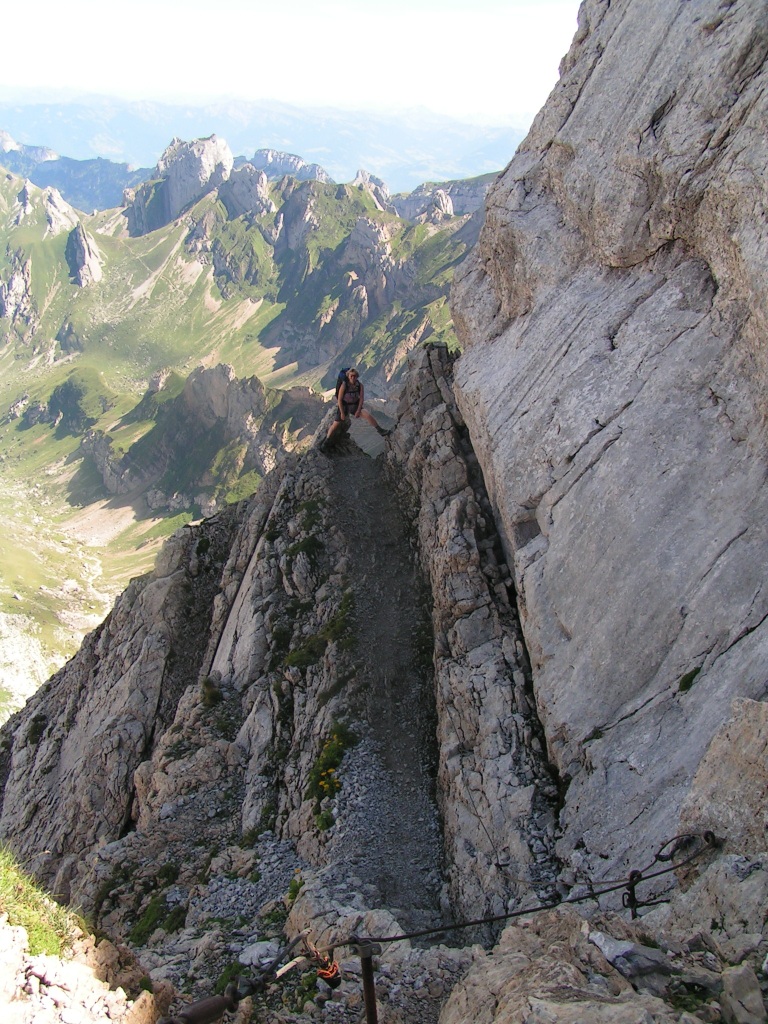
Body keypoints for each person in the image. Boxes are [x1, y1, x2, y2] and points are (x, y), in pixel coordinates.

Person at [320, 368, 390, 450]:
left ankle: (380, 430)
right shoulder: (344, 385)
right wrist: (342, 412)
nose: (353, 377)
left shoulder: (359, 385)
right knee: (335, 424)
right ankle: (326, 441)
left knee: (367, 415)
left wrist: (358, 410)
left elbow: (361, 399)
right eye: (351, 376)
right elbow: (339, 399)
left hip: (355, 405)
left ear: (357, 376)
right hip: (344, 405)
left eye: (354, 376)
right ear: (348, 376)